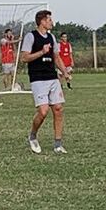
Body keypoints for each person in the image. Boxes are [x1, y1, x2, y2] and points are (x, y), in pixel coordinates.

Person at [20, 10, 70, 154]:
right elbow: (24, 58)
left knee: (58, 109)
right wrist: (41, 52)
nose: (51, 22)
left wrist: (65, 72)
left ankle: (58, 144)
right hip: (38, 79)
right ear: (42, 21)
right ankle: (33, 136)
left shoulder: (52, 37)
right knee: (43, 111)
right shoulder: (31, 36)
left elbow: (57, 57)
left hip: (52, 77)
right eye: (49, 19)